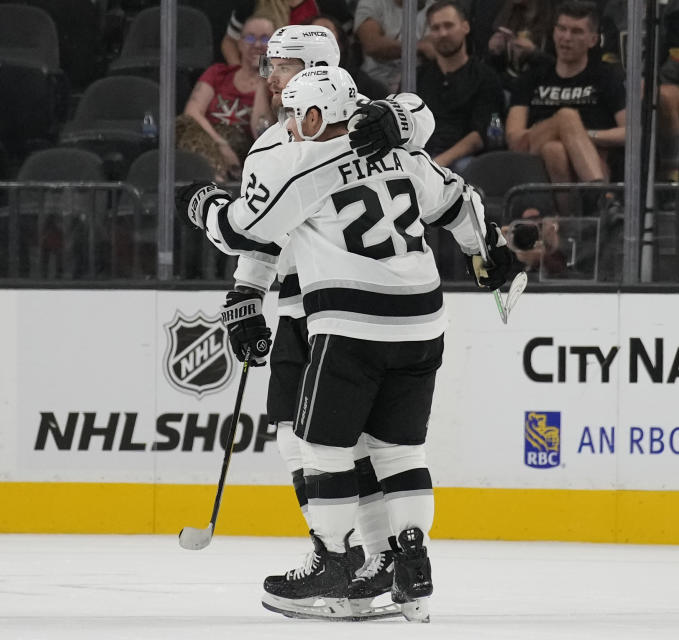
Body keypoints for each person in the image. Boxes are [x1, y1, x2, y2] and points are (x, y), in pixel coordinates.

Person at [178, 66, 520, 623]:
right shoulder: (406, 155)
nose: (288, 124)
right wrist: (489, 252)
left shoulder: (305, 166)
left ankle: (332, 562)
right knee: (399, 450)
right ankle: (413, 565)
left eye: (294, 113)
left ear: (316, 117)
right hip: (422, 323)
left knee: (322, 448)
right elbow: (458, 200)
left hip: (351, 325)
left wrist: (201, 205)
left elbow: (246, 230)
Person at [227, 25, 438, 620]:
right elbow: (266, 234)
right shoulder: (274, 143)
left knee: (343, 445)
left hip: (336, 313)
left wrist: (401, 119)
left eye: (281, 64)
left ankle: (360, 564)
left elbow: (418, 118)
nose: (269, 75)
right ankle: (361, 564)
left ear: (316, 66)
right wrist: (248, 294)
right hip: (304, 307)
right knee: (302, 442)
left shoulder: (370, 121)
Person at [505, 1, 626, 202]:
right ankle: (603, 198)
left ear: (593, 40)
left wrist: (579, 136)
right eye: (562, 29)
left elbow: (630, 132)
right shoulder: (531, 78)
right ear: (553, 32)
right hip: (532, 153)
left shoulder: (605, 77)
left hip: (586, 159)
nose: (566, 38)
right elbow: (515, 139)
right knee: (566, 116)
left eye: (577, 31)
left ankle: (572, 222)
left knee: (556, 149)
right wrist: (566, 128)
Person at [600, 0, 679, 185]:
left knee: (662, 97)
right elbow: (609, 58)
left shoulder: (676, 6)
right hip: (626, 87)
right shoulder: (614, 7)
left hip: (675, 86)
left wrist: (648, 83)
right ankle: (606, 187)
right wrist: (621, 85)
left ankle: (670, 179)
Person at [176, 13, 276, 182]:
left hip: (243, 145)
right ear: (240, 43)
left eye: (265, 40)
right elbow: (192, 113)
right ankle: (220, 178)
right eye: (250, 39)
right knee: (181, 125)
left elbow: (261, 133)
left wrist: (262, 78)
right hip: (210, 140)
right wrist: (220, 145)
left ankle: (217, 182)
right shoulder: (219, 73)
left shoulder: (276, 85)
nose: (258, 45)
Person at [416, 0, 505, 172]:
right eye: (435, 28)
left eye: (449, 26)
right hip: (420, 157)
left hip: (462, 161)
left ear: (466, 27)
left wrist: (435, 165)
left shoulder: (485, 77)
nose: (442, 33)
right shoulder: (418, 76)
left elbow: (479, 135)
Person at [486, 0, 554, 96]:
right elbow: (498, 68)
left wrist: (534, 53)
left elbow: (559, 66)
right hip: (510, 87)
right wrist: (496, 51)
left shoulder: (555, 16)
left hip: (543, 90)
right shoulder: (508, 12)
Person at [221, 0, 319, 65]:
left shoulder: (318, 6)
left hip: (297, 74)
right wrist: (239, 72)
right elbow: (230, 41)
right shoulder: (250, 3)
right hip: (256, 69)